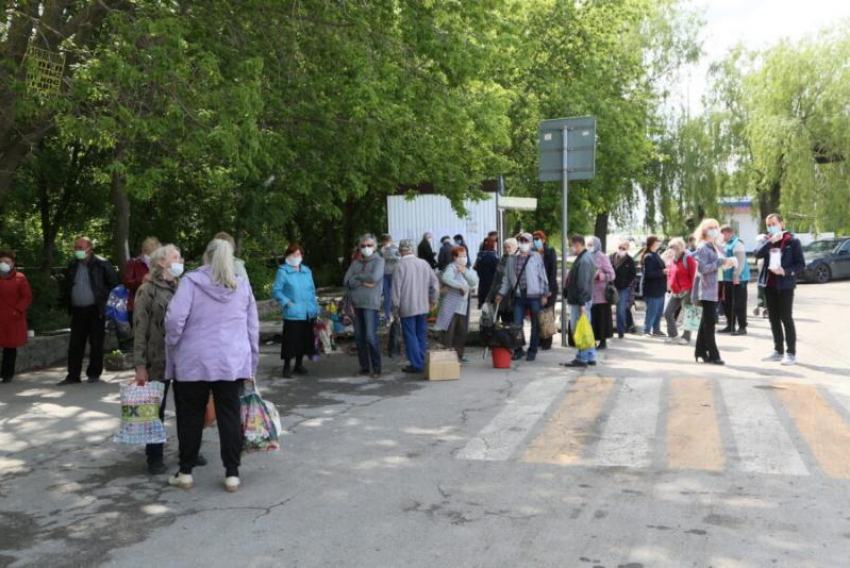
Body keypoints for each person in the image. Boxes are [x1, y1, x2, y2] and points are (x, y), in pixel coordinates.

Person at [164, 238, 259, 492]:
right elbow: (252, 328)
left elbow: (174, 319)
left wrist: (174, 343)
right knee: (229, 415)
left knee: (190, 417)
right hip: (231, 362)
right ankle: (232, 474)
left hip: (193, 361)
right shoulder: (242, 286)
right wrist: (253, 362)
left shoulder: (191, 282)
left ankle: (185, 472)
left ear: (206, 256)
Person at [133, 244, 198, 474]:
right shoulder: (147, 290)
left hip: (182, 359)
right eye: (175, 256)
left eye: (180, 256)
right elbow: (140, 330)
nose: (180, 260)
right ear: (161, 262)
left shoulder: (183, 286)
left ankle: (188, 451)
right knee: (155, 410)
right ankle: (154, 457)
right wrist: (140, 366)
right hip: (156, 360)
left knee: (187, 408)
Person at [59, 237, 119, 385]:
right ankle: (73, 375)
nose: (78, 250)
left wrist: (107, 306)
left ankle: (93, 373)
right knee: (75, 344)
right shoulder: (72, 265)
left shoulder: (102, 264)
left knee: (96, 343)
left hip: (96, 310)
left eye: (80, 247)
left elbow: (114, 285)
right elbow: (67, 285)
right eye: (76, 247)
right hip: (77, 310)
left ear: (90, 248)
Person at [755, 213, 805, 366]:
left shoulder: (793, 241)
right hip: (769, 285)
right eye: (768, 224)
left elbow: (800, 264)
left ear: (781, 224)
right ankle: (778, 350)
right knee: (773, 318)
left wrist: (785, 271)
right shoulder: (766, 240)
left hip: (785, 285)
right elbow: (757, 254)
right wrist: (770, 241)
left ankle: (791, 353)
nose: (771, 227)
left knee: (786, 318)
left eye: (773, 223)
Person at [495, 233, 550, 362]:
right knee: (517, 325)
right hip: (519, 296)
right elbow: (507, 279)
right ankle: (518, 350)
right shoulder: (512, 259)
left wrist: (545, 294)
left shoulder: (535, 257)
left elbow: (542, 276)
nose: (523, 243)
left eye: (526, 241)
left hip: (534, 295)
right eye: (521, 241)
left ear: (530, 243)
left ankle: (532, 350)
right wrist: (501, 293)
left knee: (535, 324)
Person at [392, 239, 439, 373]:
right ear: (412, 250)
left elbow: (396, 291)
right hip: (423, 306)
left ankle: (417, 364)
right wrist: (433, 300)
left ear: (400, 251)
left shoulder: (400, 266)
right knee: (420, 335)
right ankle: (422, 360)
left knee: (410, 336)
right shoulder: (424, 263)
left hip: (407, 307)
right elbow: (434, 284)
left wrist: (395, 309)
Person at [272, 242, 319, 379]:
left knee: (304, 340)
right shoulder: (283, 271)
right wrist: (287, 303)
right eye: (293, 254)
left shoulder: (307, 271)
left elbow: (312, 290)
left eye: (298, 254)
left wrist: (315, 307)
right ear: (288, 255)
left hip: (307, 312)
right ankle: (286, 367)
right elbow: (277, 291)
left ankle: (299, 365)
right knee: (290, 341)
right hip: (293, 313)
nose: (296, 256)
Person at [343, 234, 385, 378]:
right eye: (363, 245)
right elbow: (347, 281)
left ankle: (377, 368)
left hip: (370, 304)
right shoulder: (355, 263)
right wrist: (362, 280)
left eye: (369, 245)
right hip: (356, 304)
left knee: (370, 336)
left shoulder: (379, 261)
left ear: (375, 246)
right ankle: (365, 367)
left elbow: (374, 278)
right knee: (359, 337)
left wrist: (357, 277)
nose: (366, 248)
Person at [693, 219, 734, 365]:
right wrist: (720, 263)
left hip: (715, 287)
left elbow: (717, 265)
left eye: (716, 227)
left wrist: (727, 263)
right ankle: (713, 354)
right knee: (710, 323)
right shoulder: (703, 247)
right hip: (707, 289)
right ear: (704, 230)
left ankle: (700, 351)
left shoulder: (713, 246)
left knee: (706, 321)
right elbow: (703, 269)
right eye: (711, 227)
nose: (714, 230)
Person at [435, 246, 478, 362]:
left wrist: (465, 273)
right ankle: (447, 353)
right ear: (455, 257)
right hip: (451, 304)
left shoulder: (465, 268)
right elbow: (446, 278)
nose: (464, 258)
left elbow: (474, 281)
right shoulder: (451, 267)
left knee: (461, 330)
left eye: (465, 256)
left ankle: (459, 354)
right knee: (449, 329)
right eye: (461, 256)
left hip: (463, 305)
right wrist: (460, 286)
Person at [562, 235, 597, 368]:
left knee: (580, 329)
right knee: (586, 328)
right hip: (582, 300)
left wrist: (582, 303)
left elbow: (582, 283)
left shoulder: (583, 260)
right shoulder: (586, 257)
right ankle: (590, 356)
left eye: (571, 245)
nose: (571, 248)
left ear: (578, 245)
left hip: (580, 301)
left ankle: (582, 358)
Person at [0, 250, 33, 383]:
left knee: (10, 347)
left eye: (6, 262)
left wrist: (18, 310)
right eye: (1, 261)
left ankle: (7, 375)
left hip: (12, 318)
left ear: (13, 263)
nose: (3, 264)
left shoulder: (20, 277)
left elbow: (27, 296)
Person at [663, 238, 696, 345]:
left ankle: (686, 337)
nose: (671, 249)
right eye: (670, 247)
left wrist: (694, 292)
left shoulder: (688, 258)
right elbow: (670, 273)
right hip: (675, 291)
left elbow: (694, 276)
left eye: (674, 247)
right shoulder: (671, 259)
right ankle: (673, 335)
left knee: (688, 314)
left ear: (681, 248)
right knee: (667, 312)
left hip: (687, 290)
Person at [122, 237, 161, 327]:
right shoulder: (134, 263)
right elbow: (127, 282)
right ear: (145, 250)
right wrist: (141, 280)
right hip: (138, 306)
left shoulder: (159, 265)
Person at [718, 225, 749, 336]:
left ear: (728, 232)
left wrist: (736, 275)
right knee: (727, 303)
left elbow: (740, 261)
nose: (721, 236)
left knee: (739, 303)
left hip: (738, 278)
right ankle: (730, 325)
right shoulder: (725, 244)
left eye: (722, 234)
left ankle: (742, 327)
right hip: (726, 278)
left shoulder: (737, 243)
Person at [587, 236, 615, 350]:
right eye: (587, 244)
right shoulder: (586, 256)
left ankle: (602, 341)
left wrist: (600, 276)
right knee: (591, 319)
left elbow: (612, 275)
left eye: (591, 244)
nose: (589, 247)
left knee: (601, 318)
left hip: (601, 294)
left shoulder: (602, 257)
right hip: (588, 293)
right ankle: (591, 341)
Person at [533, 231, 559, 350]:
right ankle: (538, 339)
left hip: (550, 288)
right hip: (536, 288)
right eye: (534, 239)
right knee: (538, 313)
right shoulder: (533, 253)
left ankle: (547, 341)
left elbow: (553, 272)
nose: (535, 241)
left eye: (538, 238)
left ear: (543, 240)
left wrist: (548, 291)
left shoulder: (550, 252)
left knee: (548, 314)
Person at [485, 238, 518, 325]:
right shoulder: (501, 261)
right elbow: (495, 281)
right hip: (498, 298)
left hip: (511, 299)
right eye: (505, 248)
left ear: (515, 248)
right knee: (498, 325)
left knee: (511, 325)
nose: (506, 250)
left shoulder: (518, 261)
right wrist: (489, 298)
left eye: (509, 247)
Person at [610, 239, 636, 339]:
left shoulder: (629, 260)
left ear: (627, 249)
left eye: (623, 248)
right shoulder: (611, 257)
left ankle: (621, 330)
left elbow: (632, 274)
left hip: (622, 288)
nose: (621, 249)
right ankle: (608, 330)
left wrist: (625, 283)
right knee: (607, 309)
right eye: (619, 247)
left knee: (620, 310)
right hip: (610, 287)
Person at [641, 236, 666, 337]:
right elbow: (649, 274)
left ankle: (656, 329)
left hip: (660, 288)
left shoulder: (656, 254)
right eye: (657, 241)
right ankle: (646, 330)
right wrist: (662, 272)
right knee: (652, 311)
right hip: (652, 289)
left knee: (659, 311)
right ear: (652, 243)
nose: (659, 243)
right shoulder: (648, 256)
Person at [474, 237, 500, 310]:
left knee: (484, 307)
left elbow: (476, 268)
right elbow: (498, 270)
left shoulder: (481, 256)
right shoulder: (492, 256)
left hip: (482, 283)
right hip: (491, 284)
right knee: (490, 309)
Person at [379, 234, 400, 324]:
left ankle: (397, 316)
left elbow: (400, 258)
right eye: (383, 241)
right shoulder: (382, 249)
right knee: (387, 297)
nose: (385, 243)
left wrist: (392, 257)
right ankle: (387, 317)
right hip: (384, 274)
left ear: (390, 240)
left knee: (395, 296)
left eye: (386, 240)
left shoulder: (397, 247)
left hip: (394, 274)